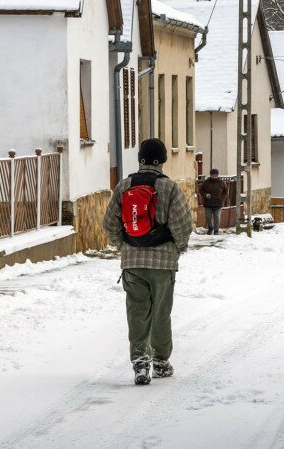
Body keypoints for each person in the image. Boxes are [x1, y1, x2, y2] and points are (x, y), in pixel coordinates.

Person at [103, 138, 194, 385]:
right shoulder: (170, 188)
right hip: (163, 264)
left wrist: (123, 245)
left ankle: (140, 363)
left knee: (137, 312)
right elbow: (183, 224)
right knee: (161, 313)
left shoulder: (124, 186)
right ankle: (161, 363)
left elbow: (109, 223)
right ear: (163, 160)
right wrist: (177, 248)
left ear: (140, 158)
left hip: (132, 263)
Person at [198, 168, 227, 235]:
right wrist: (206, 195)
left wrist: (222, 198)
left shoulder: (221, 182)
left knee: (217, 216)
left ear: (217, 175)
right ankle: (210, 227)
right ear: (210, 175)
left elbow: (226, 190)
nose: (214, 176)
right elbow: (201, 190)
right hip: (208, 203)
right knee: (208, 216)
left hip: (218, 203)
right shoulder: (206, 182)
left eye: (215, 175)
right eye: (212, 175)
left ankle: (216, 230)